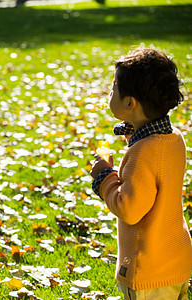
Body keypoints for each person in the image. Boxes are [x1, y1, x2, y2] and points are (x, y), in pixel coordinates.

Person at [90, 48, 192, 300]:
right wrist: (133, 132)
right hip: (176, 262)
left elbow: (130, 209)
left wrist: (105, 177)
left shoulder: (141, 153)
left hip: (147, 271)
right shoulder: (173, 138)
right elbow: (155, 168)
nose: (109, 94)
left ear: (129, 103)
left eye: (113, 90)